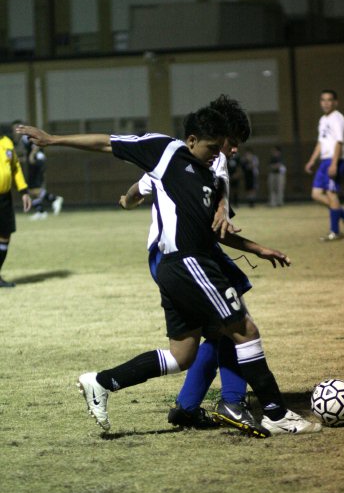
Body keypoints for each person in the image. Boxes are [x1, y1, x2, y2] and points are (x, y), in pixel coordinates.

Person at [17, 110, 321, 437]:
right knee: (243, 329)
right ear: (191, 140)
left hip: (183, 267)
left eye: (224, 149)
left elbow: (217, 231)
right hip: (190, 263)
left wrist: (259, 248)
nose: (220, 155)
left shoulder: (212, 178)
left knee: (182, 354)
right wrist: (53, 139)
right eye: (215, 148)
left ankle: (101, 382)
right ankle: (273, 412)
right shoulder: (165, 150)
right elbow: (107, 143)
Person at [121, 95, 275, 437]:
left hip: (185, 252)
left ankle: (190, 406)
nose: (233, 150)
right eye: (232, 143)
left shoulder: (193, 156)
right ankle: (231, 402)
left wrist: (129, 199)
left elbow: (142, 185)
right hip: (179, 254)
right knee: (234, 325)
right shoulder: (199, 158)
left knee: (222, 328)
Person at [304, 90, 344, 241]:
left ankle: (334, 232)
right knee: (316, 194)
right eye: (323, 100)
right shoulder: (322, 119)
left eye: (329, 100)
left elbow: (339, 142)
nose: (326, 103)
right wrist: (312, 160)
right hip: (324, 161)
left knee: (332, 195)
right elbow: (321, 142)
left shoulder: (337, 118)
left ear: (335, 102)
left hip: (335, 160)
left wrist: (334, 163)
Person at [12, 120, 64, 220]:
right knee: (31, 189)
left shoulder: (25, 136)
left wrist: (32, 155)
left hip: (37, 161)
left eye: (15, 129)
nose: (14, 131)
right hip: (35, 162)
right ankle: (41, 211)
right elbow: (26, 154)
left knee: (33, 189)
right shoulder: (21, 140)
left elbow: (36, 144)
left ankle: (54, 199)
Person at [0, 132, 32, 287]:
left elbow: (15, 168)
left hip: (4, 198)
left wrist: (23, 191)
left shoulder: (7, 142)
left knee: (5, 236)